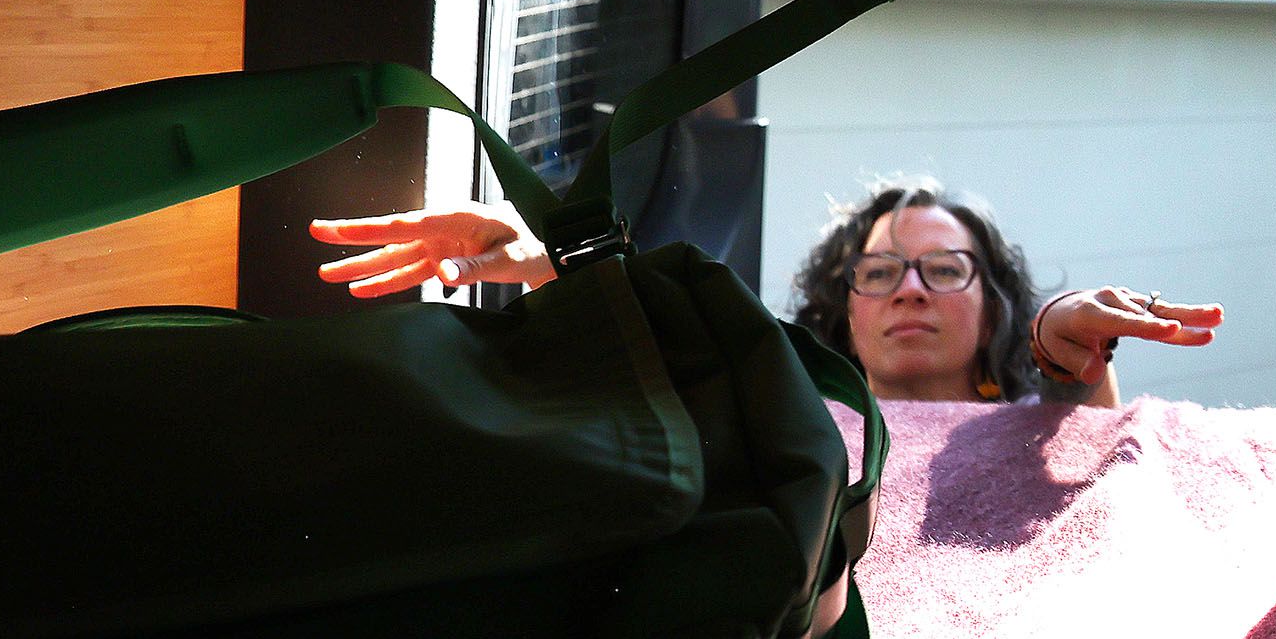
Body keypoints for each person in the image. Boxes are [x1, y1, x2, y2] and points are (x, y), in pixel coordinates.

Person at [309, 181, 1219, 408]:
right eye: (879, 271)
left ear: (995, 307)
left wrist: (1066, 341)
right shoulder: (781, 400)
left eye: (944, 269)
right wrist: (540, 244)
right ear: (844, 310)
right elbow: (674, 321)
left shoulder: (1038, 424)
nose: (909, 288)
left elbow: (1079, 425)